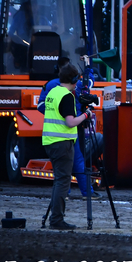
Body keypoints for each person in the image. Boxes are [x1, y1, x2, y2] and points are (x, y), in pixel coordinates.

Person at [38, 56, 103, 200]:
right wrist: (87, 66)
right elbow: (89, 83)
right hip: (72, 128)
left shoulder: (50, 86)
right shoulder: (75, 86)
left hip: (52, 137)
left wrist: (54, 113)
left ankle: (64, 194)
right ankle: (87, 192)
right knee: (78, 161)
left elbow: (41, 106)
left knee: (61, 170)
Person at [42, 64, 93, 229]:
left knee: (59, 180)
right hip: (62, 143)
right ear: (73, 79)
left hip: (50, 142)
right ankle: (57, 220)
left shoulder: (53, 92)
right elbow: (70, 122)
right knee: (63, 181)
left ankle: (55, 218)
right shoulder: (67, 96)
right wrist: (86, 115)